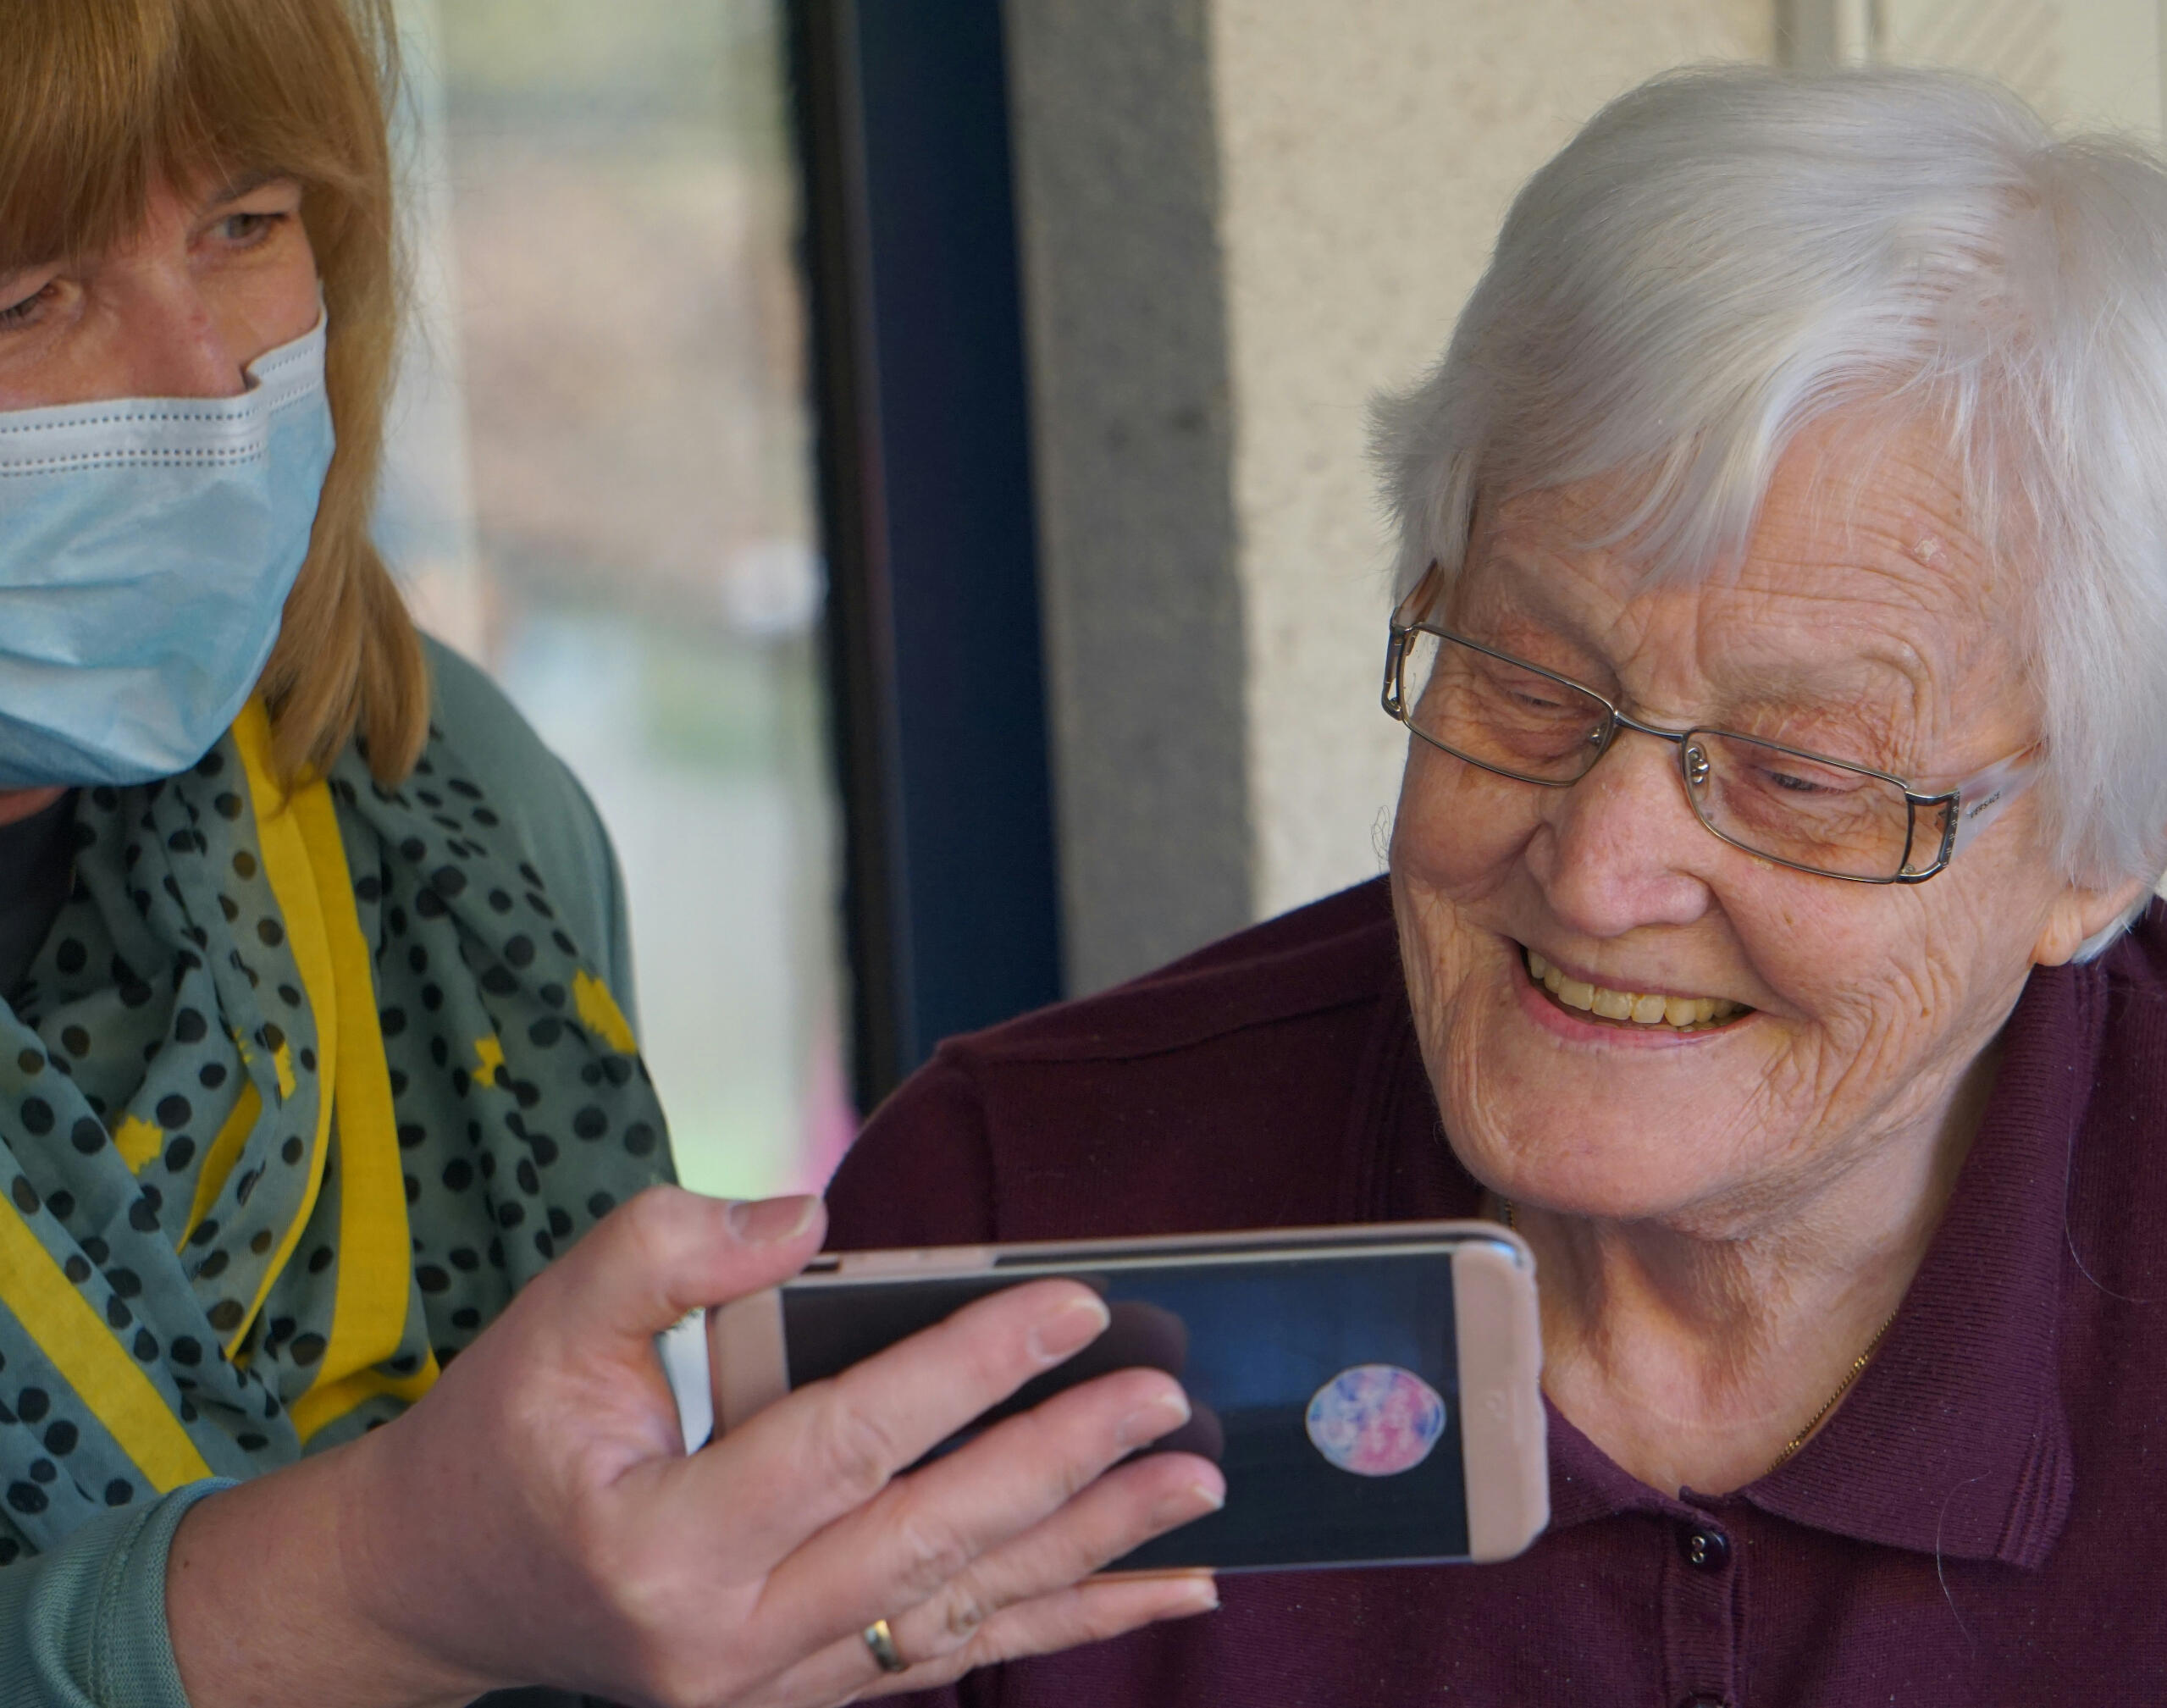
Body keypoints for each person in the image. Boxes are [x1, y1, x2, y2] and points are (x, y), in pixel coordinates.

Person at [826, 65, 2167, 1705]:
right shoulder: (1025, 1214)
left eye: (1799, 777)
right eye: (1524, 685)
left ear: (2094, 860)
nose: (1597, 874)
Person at [0, 3, 1224, 1704]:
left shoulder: (429, 797)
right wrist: (377, 1588)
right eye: (29, 298)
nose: (211, 373)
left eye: (248, 225)